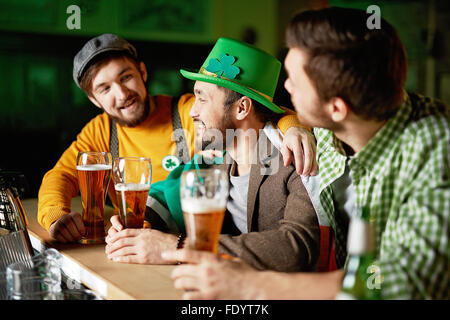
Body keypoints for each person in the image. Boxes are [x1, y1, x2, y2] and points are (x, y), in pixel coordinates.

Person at [162, 7, 450, 300]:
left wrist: (247, 285)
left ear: (336, 108)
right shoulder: (343, 118)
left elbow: (397, 284)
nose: (285, 88)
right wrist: (291, 125)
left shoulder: (437, 152)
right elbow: (267, 113)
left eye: (295, 83)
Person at [37, 34, 319, 243]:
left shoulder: (187, 112)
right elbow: (60, 175)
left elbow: (249, 114)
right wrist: (56, 216)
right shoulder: (98, 132)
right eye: (105, 88)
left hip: (189, 242)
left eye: (126, 78)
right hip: (149, 238)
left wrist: (294, 127)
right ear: (93, 99)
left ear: (143, 73)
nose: (121, 94)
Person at [105, 37, 321, 272]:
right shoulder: (216, 158)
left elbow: (296, 248)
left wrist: (182, 247)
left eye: (202, 98)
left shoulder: (296, 157)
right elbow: (169, 192)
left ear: (242, 108)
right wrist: (140, 222)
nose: (193, 112)